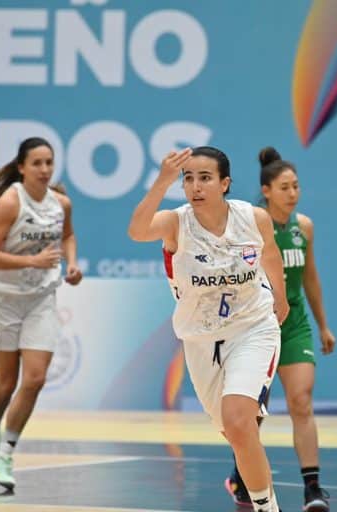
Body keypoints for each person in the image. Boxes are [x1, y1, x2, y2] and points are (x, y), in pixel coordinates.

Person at [128, 146, 289, 512]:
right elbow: (137, 231)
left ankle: (268, 508)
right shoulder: (175, 221)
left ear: (224, 183)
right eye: (188, 178)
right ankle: (262, 496)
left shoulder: (253, 218)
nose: (195, 186)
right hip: (200, 339)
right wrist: (161, 182)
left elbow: (271, 256)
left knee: (238, 418)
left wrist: (281, 297)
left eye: (205, 178)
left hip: (253, 328)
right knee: (234, 432)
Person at [224, 147, 334, 511]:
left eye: (296, 186)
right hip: (257, 324)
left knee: (301, 401)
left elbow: (312, 278)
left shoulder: (305, 227)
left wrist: (323, 326)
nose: (293, 193)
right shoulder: (251, 225)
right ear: (267, 190)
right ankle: (242, 473)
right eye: (285, 187)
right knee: (253, 410)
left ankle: (312, 487)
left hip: (295, 323)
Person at [0, 137, 82, 490]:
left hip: (41, 300)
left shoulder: (61, 203)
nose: (45, 169)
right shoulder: (10, 202)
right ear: (21, 167)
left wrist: (72, 264)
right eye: (37, 163)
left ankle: (5, 453)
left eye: (49, 162)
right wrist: (31, 260)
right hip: (3, 301)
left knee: (34, 379)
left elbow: (68, 235)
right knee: (6, 383)